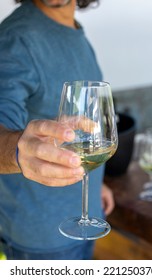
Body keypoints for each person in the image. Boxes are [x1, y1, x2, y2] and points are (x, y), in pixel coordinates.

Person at [0, 0, 115, 260]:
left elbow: (82, 131)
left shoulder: (73, 31)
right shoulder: (16, 37)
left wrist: (96, 179)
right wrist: (18, 151)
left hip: (87, 219)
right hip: (42, 237)